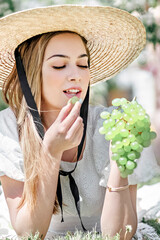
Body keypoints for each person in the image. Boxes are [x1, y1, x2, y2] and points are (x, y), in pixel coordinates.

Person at [0, 5, 160, 240]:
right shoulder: (9, 127)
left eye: (83, 64)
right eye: (59, 65)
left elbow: (120, 234)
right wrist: (50, 154)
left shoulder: (114, 125)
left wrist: (118, 163)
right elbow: (29, 233)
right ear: (32, 72)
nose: (76, 74)